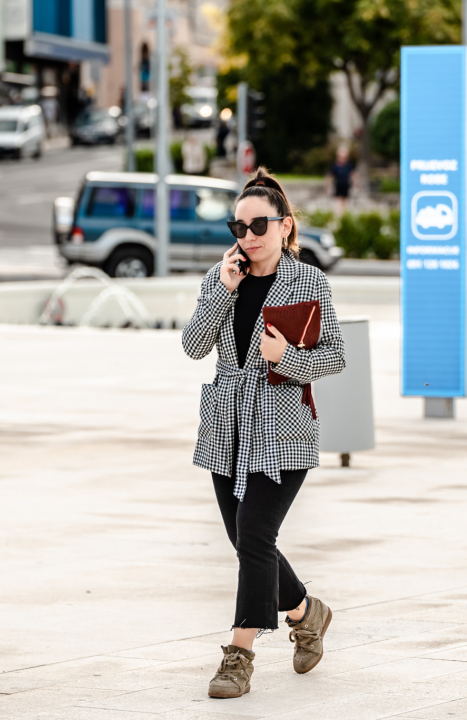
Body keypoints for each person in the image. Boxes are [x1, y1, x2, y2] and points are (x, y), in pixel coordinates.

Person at [182, 167, 346, 699]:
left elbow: (335, 356)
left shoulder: (310, 282)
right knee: (247, 541)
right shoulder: (222, 277)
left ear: (285, 226)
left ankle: (239, 654)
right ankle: (305, 611)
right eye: (239, 227)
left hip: (283, 428)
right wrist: (222, 295)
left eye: (259, 226)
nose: (247, 238)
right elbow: (193, 347)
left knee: (254, 535)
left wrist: (289, 357)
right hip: (227, 427)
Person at [326, 146, 355, 215]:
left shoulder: (349, 165)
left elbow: (353, 175)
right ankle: (338, 216)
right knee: (338, 201)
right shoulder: (334, 165)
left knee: (345, 202)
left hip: (346, 185)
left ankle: (343, 217)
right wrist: (329, 186)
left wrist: (355, 185)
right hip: (338, 185)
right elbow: (330, 176)